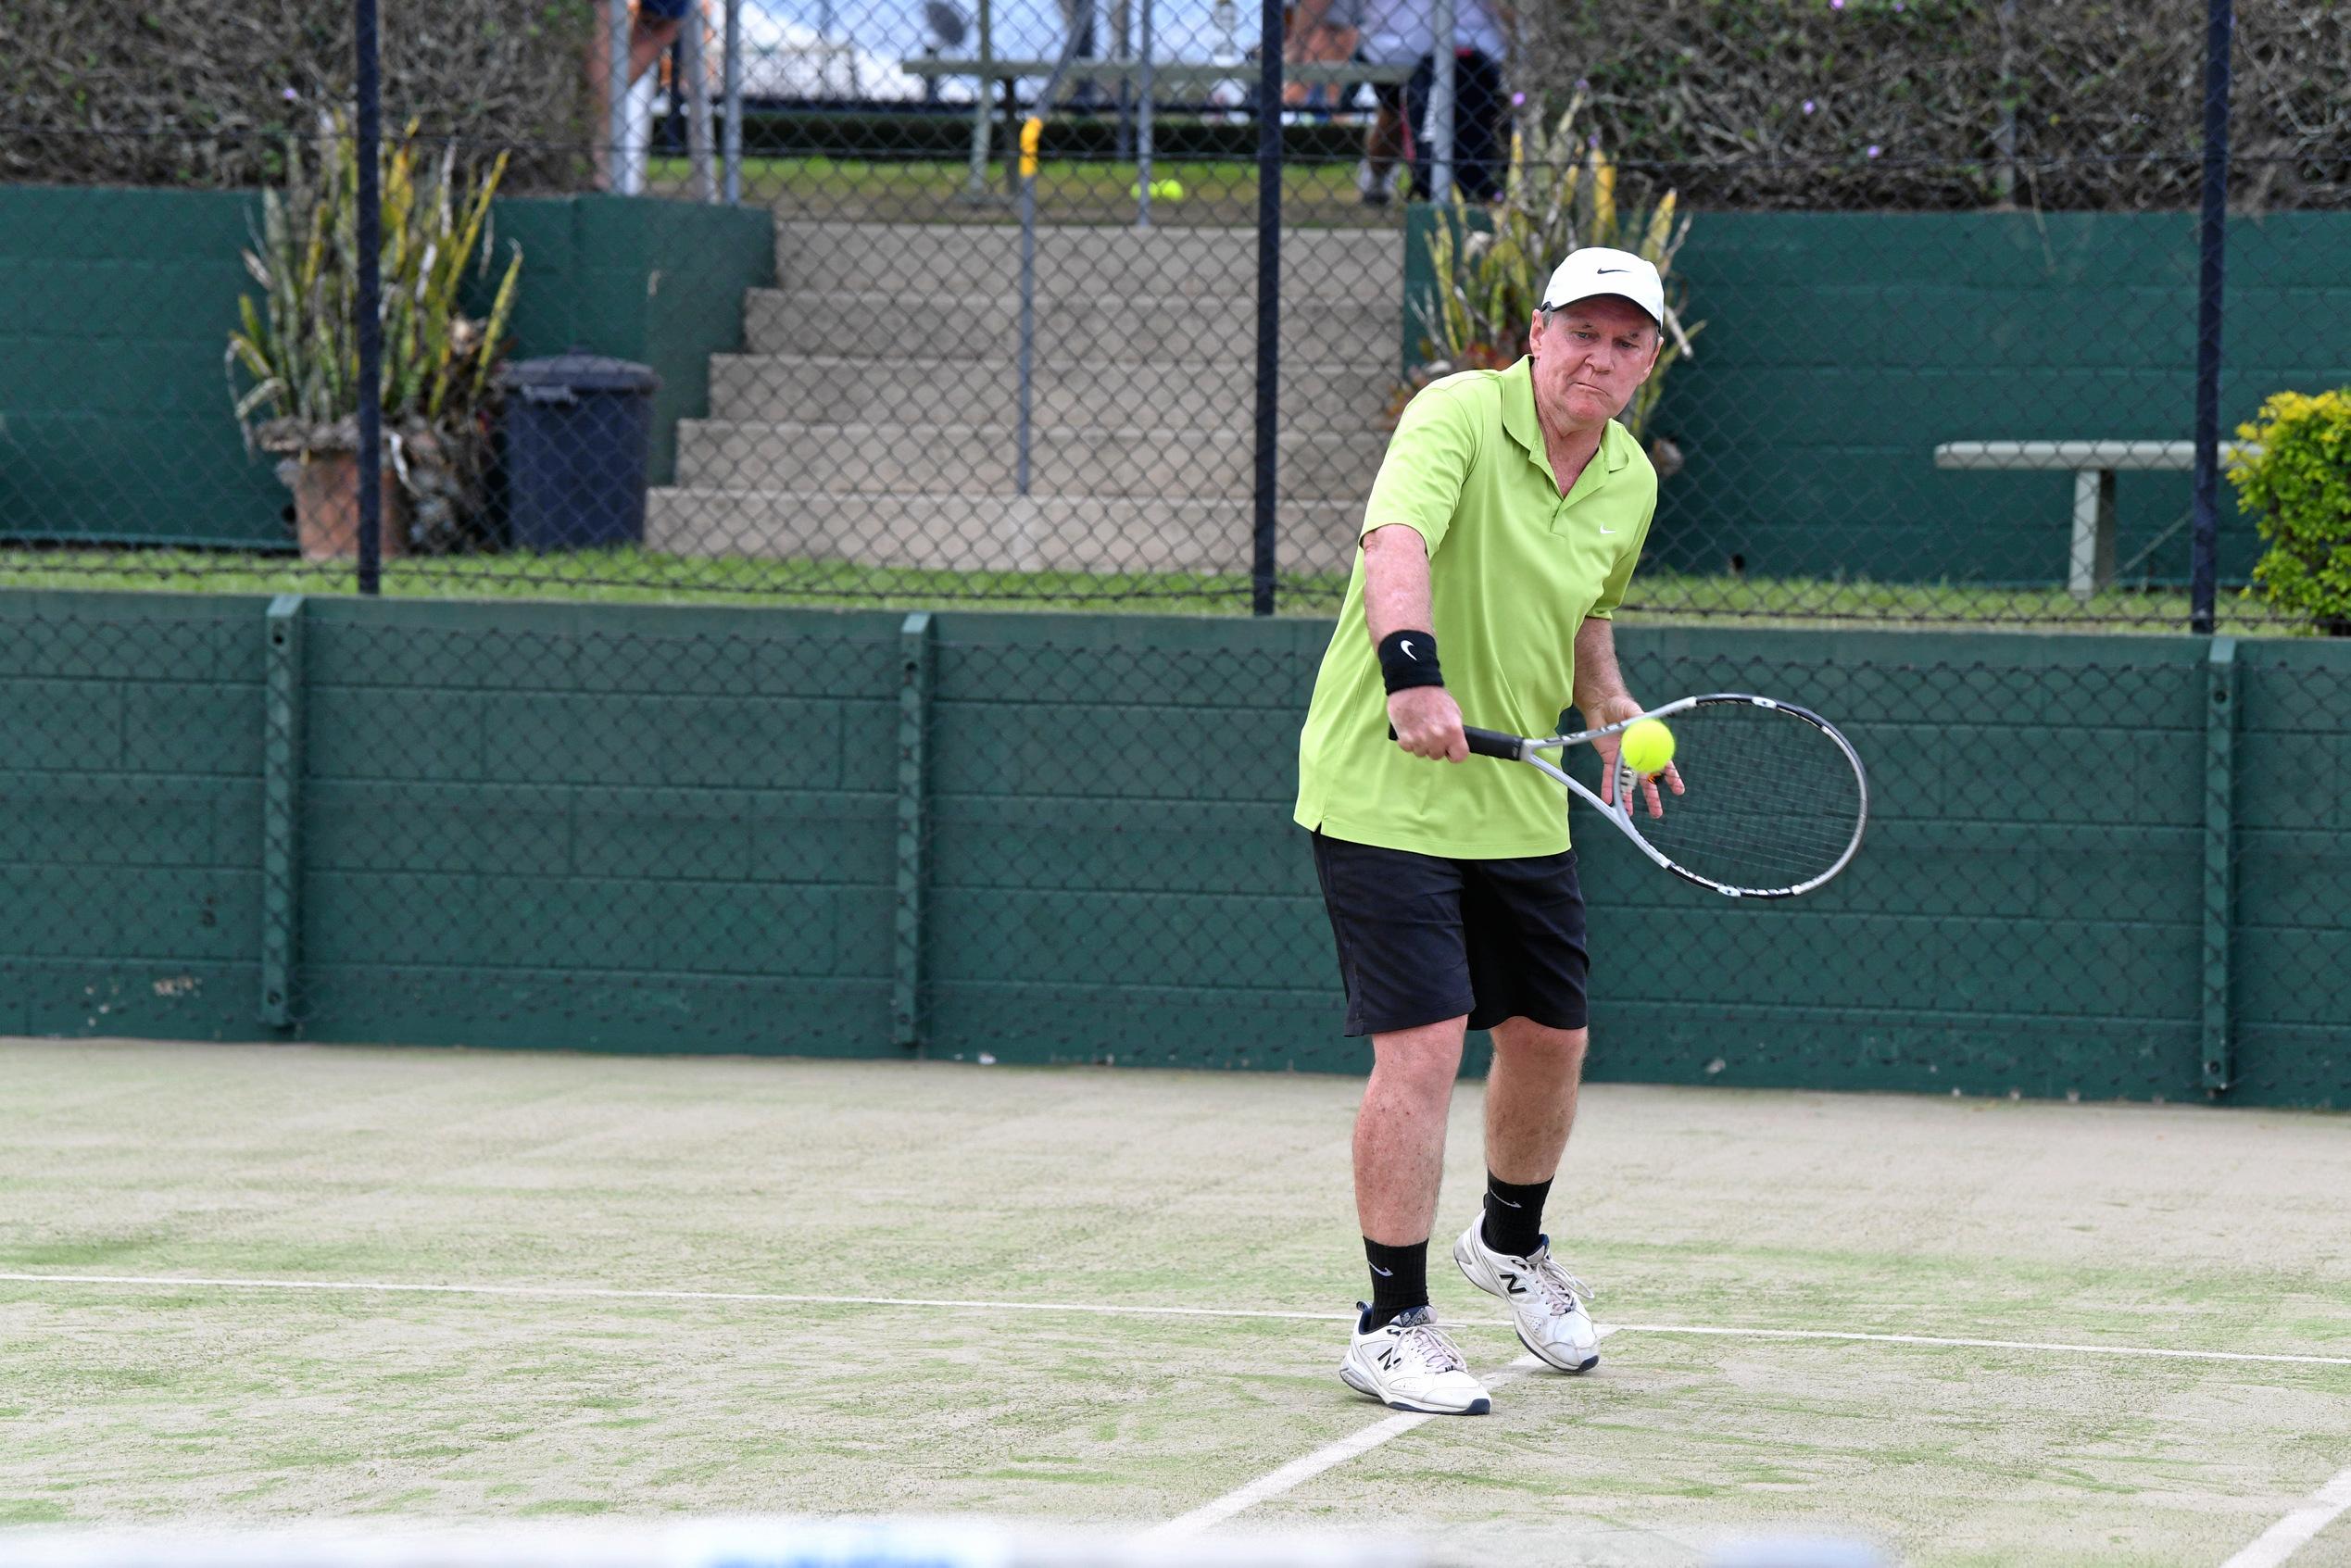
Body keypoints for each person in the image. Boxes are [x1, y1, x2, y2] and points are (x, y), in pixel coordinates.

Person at [1292, 247, 1682, 1416]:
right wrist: (1410, 671)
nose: (1599, 357)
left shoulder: (1628, 479)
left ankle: (1509, 1243)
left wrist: (1607, 706)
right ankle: (1391, 1320)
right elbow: (1394, 542)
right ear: (1537, 333)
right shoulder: (1455, 412)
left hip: (1518, 797)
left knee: (1551, 1038)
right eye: (1582, 332)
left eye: (1626, 341)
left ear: (1648, 361)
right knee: (1423, 1044)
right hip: (1382, 788)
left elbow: (1587, 613)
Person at [1289, 0, 1510, 205]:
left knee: (1407, 116)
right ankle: (1382, 176)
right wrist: (1296, 52)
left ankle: (1474, 186)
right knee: (1396, 115)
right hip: (1397, 50)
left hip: (1468, 49)